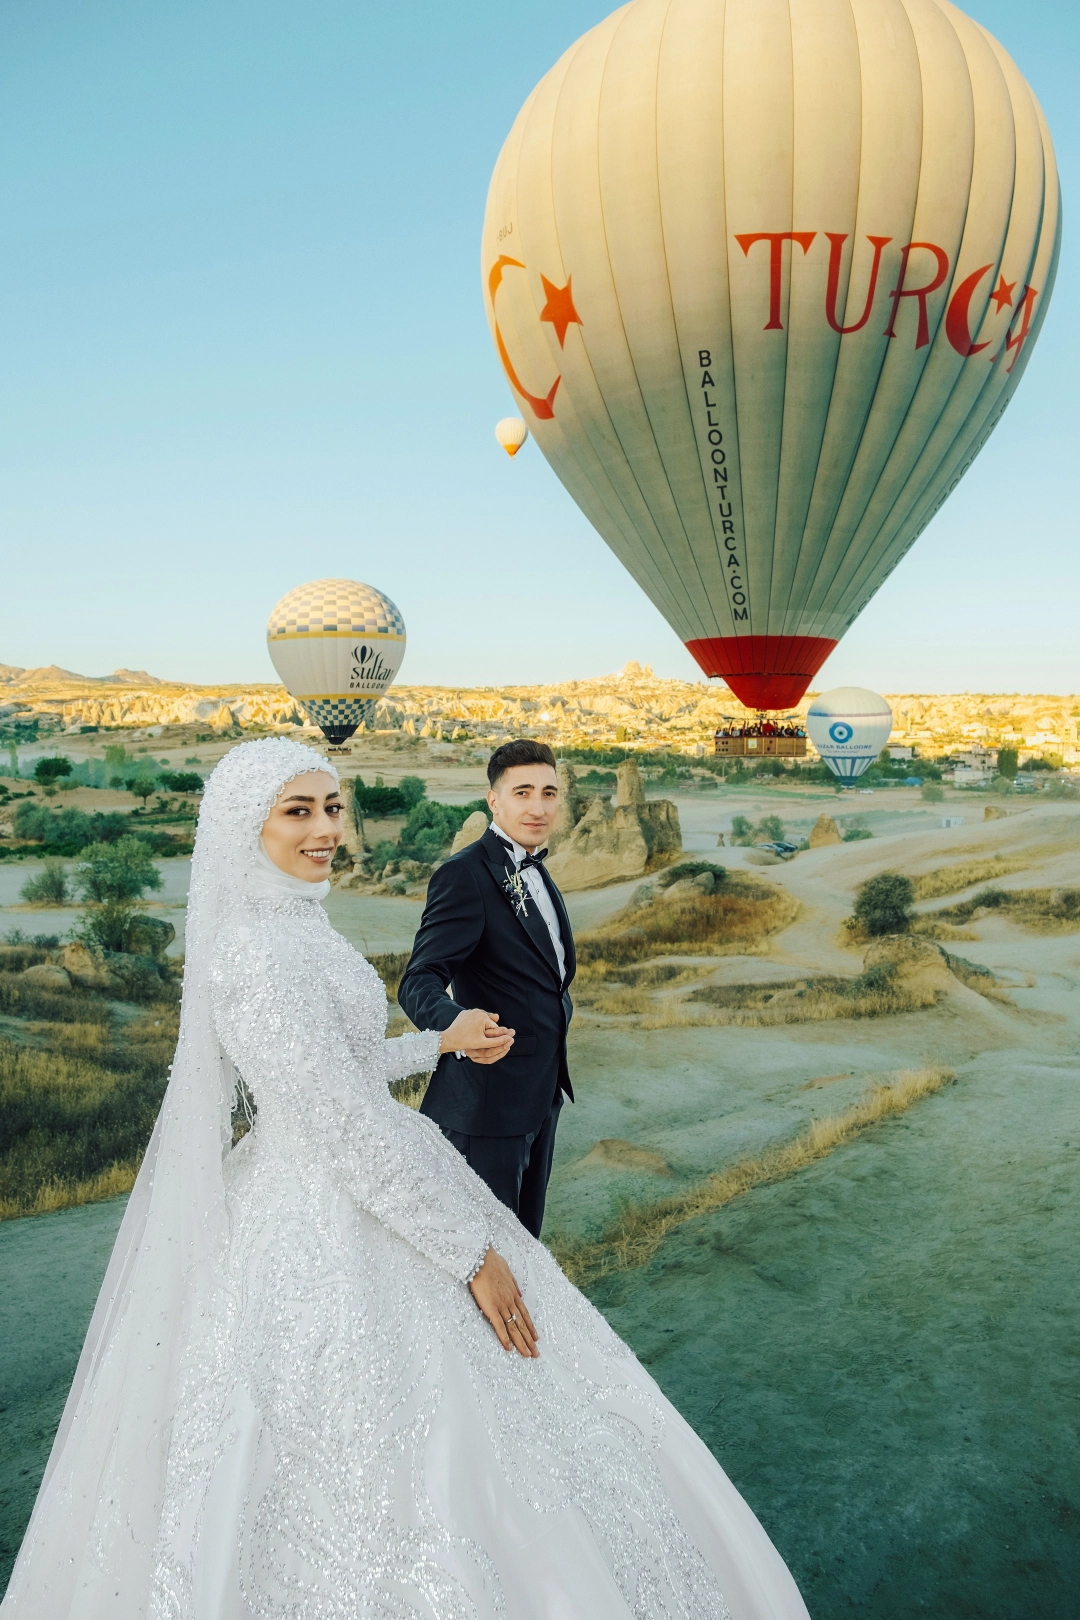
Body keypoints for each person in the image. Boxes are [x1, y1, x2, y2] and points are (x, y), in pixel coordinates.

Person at [3, 740, 809, 1620]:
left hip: (375, 1160)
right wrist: (469, 1253)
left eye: (332, 807)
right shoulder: (255, 953)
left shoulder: (296, 923)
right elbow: (338, 1122)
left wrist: (440, 1042)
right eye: (297, 811)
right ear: (246, 827)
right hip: (320, 1208)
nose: (326, 829)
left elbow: (340, 1073)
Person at [398, 739, 571, 1239]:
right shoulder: (464, 875)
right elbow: (419, 979)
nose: (538, 807)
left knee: (525, 1250)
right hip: (485, 1107)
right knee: (483, 1254)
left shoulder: (537, 869)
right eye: (522, 792)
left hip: (539, 1098)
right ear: (494, 800)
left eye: (548, 793)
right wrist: (455, 1025)